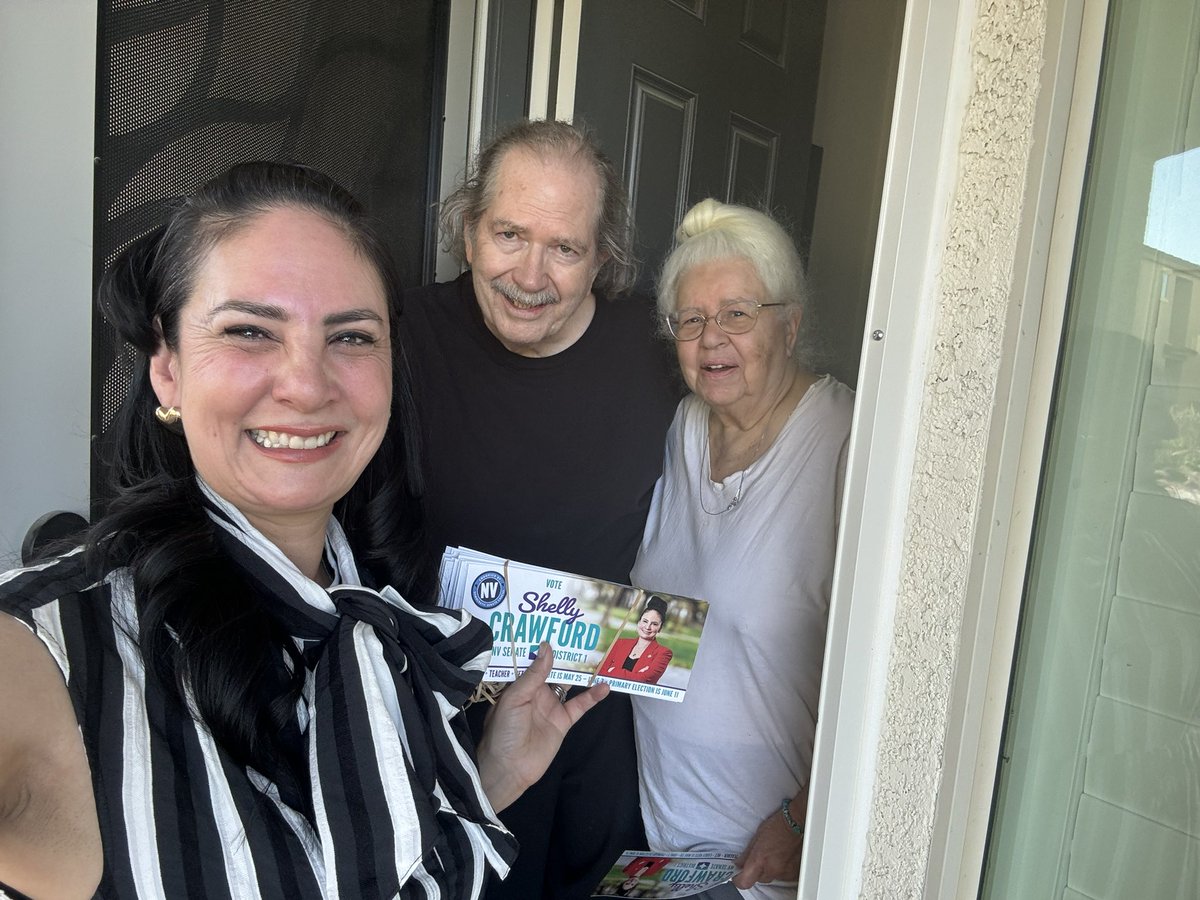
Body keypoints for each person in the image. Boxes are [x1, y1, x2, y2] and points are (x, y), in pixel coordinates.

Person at [0, 162, 609, 900]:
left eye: (351, 338)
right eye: (250, 330)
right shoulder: (49, 646)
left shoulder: (384, 623)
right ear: (167, 368)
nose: (307, 384)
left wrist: (489, 777)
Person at [398, 119, 679, 899]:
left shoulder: (658, 353)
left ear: (603, 259)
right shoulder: (403, 338)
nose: (530, 274)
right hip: (447, 724)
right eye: (509, 234)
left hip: (600, 722)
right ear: (467, 228)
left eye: (564, 248)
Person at [630, 199, 854, 899]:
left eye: (737, 314)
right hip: (664, 849)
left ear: (788, 324)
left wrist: (803, 817)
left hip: (770, 862)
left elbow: (897, 669)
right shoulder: (682, 430)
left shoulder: (847, 442)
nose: (710, 339)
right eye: (689, 320)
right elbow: (674, 621)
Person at [598, 595, 673, 684]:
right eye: (645, 621)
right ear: (639, 622)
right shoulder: (620, 643)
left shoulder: (663, 653)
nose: (647, 627)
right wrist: (636, 675)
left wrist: (612, 670)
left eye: (654, 624)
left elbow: (644, 680)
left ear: (660, 628)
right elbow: (599, 671)